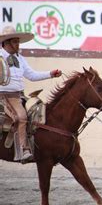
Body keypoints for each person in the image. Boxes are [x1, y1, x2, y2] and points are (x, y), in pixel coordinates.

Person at [0, 25, 62, 162]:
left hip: (19, 96)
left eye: (18, 41)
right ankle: (23, 150)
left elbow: (32, 75)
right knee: (21, 117)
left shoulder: (20, 59)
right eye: (15, 41)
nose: (18, 44)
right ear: (7, 42)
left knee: (38, 113)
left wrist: (50, 74)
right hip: (5, 96)